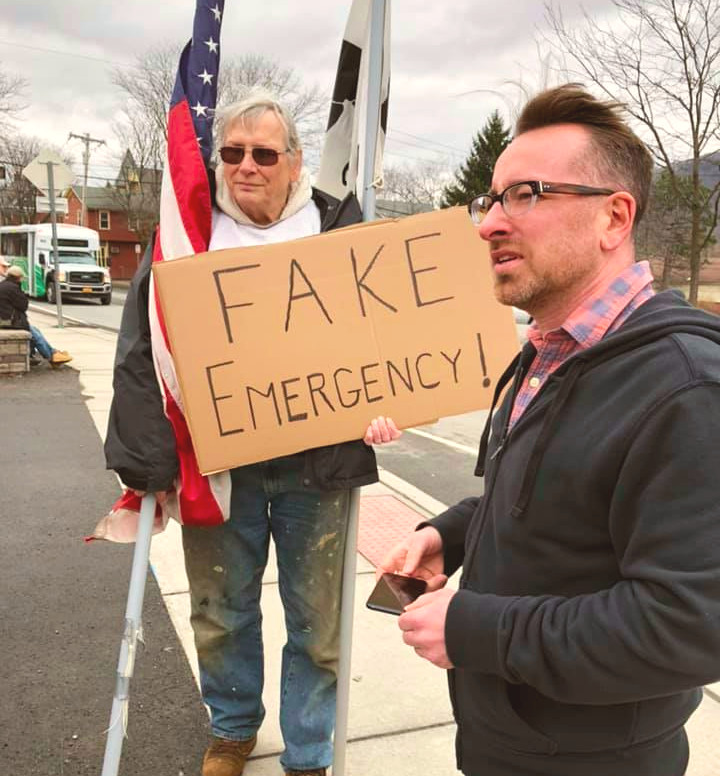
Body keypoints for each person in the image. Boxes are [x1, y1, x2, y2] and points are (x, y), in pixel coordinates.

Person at [379, 84, 720, 776]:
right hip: (509, 739)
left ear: (613, 217)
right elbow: (547, 501)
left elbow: (689, 627)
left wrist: (474, 628)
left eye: (527, 194)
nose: (489, 223)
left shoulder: (688, 389)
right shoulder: (550, 351)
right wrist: (448, 532)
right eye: (491, 198)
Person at [104, 90, 399, 776]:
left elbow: (385, 340)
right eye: (232, 152)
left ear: (294, 163)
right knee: (220, 609)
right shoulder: (189, 231)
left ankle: (308, 752)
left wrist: (386, 408)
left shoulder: (337, 229)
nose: (246, 166)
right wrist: (144, 457)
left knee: (317, 625)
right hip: (217, 462)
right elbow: (141, 347)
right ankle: (232, 731)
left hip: (317, 466)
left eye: (264, 154)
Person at [0, 265, 73, 367]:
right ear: (18, 277)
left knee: (35, 330)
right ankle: (52, 356)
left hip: (5, 319)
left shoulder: (4, 285)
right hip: (10, 321)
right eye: (21, 278)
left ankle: (47, 353)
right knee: (36, 335)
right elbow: (23, 305)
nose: (22, 280)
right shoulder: (13, 288)